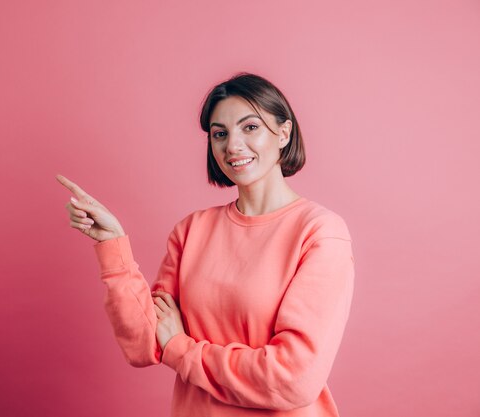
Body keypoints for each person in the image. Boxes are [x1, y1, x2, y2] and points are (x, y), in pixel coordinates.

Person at [56, 72, 355, 417]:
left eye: (250, 127)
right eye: (220, 134)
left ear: (284, 133)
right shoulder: (191, 231)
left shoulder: (319, 232)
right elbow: (145, 344)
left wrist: (182, 349)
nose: (233, 146)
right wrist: (113, 246)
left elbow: (292, 378)